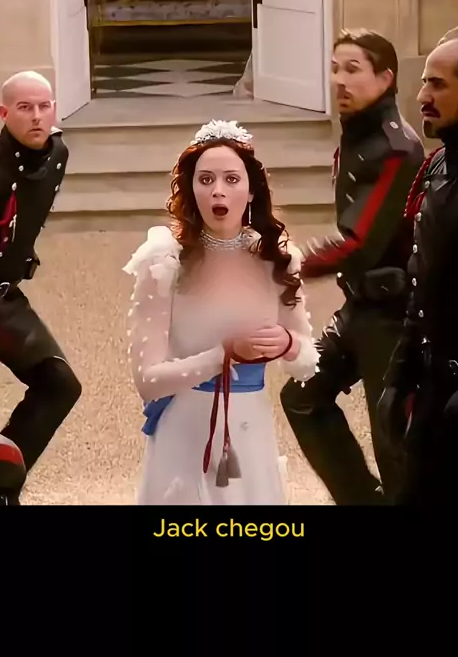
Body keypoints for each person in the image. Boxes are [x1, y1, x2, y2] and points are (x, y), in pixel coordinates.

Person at [123, 118, 319, 505]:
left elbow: (309, 361)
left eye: (231, 179)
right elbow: (147, 380)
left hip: (251, 432)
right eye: (206, 179)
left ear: (251, 190)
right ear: (191, 189)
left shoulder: (278, 260)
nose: (218, 190)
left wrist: (288, 344)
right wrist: (223, 355)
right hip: (185, 433)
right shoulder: (164, 262)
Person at [280, 29, 424, 505]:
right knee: (302, 397)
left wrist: (288, 263)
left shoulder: (397, 148)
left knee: (393, 442)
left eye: (353, 69)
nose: (339, 80)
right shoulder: (356, 134)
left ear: (386, 78)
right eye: (335, 68)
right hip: (359, 306)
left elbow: (360, 243)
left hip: (394, 316)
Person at [378, 25, 458, 505]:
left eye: (437, 84)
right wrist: (399, 376)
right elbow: (423, 286)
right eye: (423, 82)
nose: (422, 96)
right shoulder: (436, 168)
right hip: (436, 386)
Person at [0, 71, 81, 504]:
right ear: (4, 113)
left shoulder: (57, 152)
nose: (37, 116)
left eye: (45, 106)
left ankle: (1, 487)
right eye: (25, 108)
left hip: (5, 298)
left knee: (59, 385)